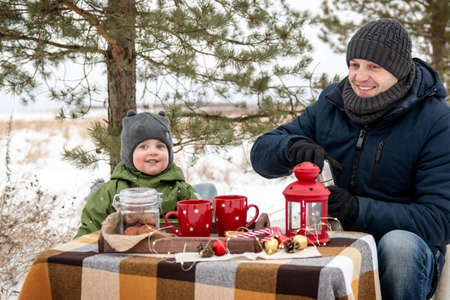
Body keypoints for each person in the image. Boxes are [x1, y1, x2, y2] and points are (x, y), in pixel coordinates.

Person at [250, 19, 449, 299]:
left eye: (373, 67)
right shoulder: (332, 104)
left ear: (399, 69)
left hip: (404, 255)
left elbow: (440, 220)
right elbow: (261, 154)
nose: (359, 76)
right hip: (334, 238)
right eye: (354, 65)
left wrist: (358, 210)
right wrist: (292, 147)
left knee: (398, 245)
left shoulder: (435, 120)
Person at [75, 110, 216, 238]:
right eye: (143, 146)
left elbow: (200, 222)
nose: (153, 152)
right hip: (121, 251)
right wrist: (79, 251)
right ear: (128, 155)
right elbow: (91, 224)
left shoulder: (179, 189)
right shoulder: (112, 189)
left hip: (167, 251)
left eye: (160, 146)